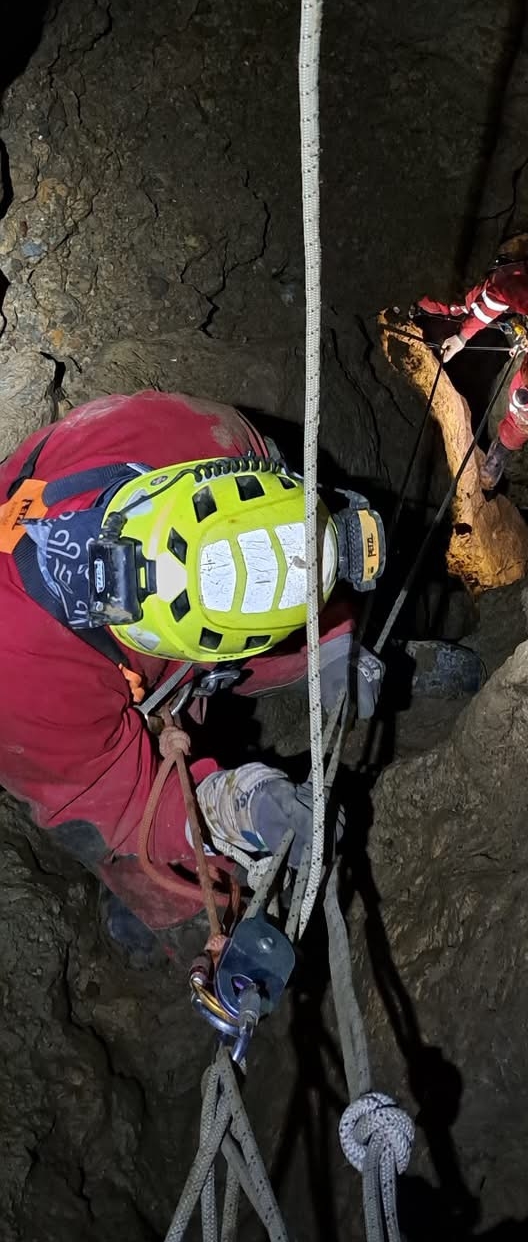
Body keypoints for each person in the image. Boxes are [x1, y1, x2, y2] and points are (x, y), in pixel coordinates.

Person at [0, 390, 385, 944]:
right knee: (114, 836)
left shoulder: (198, 439)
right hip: (56, 699)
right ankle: (164, 909)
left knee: (280, 627)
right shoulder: (26, 688)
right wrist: (242, 805)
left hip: (64, 510)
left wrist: (334, 642)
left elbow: (283, 549)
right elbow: (130, 806)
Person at [416, 230, 528, 491]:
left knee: (527, 409)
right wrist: (462, 336)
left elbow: (502, 294)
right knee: (451, 303)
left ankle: (502, 448)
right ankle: (419, 303)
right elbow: (499, 293)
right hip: (514, 287)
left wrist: (464, 335)